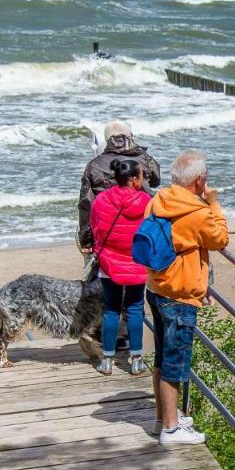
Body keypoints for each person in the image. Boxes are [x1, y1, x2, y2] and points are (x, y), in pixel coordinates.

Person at [146, 149, 229, 446]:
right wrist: (214, 203)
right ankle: (171, 429)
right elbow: (220, 239)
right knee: (175, 360)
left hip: (156, 286)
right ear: (199, 181)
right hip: (179, 294)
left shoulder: (159, 200)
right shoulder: (197, 213)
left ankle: (163, 417)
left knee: (161, 356)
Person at [89, 158, 151, 376]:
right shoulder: (146, 201)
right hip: (136, 263)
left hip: (109, 262)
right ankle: (136, 360)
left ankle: (107, 360)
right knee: (134, 309)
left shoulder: (101, 200)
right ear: (134, 179)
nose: (144, 179)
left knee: (111, 309)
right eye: (142, 175)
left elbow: (95, 228)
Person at [77, 121, 161, 252]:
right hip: (142, 224)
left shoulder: (94, 165)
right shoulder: (145, 159)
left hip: (108, 226)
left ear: (106, 140)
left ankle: (93, 263)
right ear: (130, 137)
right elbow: (156, 181)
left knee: (86, 230)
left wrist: (86, 240)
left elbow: (86, 203)